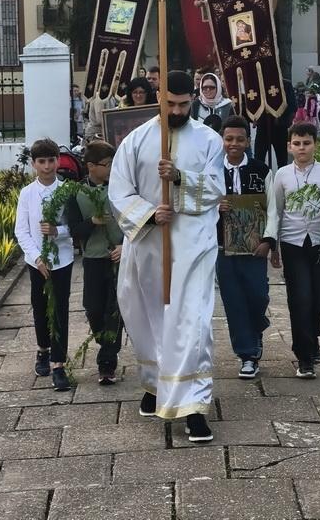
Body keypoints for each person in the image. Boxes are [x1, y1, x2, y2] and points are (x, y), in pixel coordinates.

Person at [108, 70, 224, 443]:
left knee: (191, 323)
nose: (176, 111)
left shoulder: (209, 140)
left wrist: (179, 178)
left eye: (183, 105)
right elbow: (118, 191)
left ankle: (192, 406)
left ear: (193, 100)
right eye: (170, 104)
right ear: (159, 97)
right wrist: (148, 214)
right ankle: (157, 384)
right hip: (147, 245)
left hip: (192, 247)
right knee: (147, 317)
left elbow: (216, 189)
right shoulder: (136, 141)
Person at [274, 122, 320, 379]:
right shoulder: (282, 175)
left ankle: (312, 341)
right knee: (300, 299)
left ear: (315, 145)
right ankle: (304, 358)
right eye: (297, 143)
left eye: (306, 143)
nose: (301, 148)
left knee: (319, 298)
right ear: (289, 146)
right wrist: (274, 247)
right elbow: (276, 212)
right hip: (292, 244)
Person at [216, 115, 280, 379]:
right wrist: (215, 206)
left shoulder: (261, 170)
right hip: (223, 247)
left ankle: (256, 329)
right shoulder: (212, 171)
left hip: (254, 248)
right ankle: (248, 355)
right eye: (229, 139)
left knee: (258, 296)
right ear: (222, 140)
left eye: (240, 139)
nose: (234, 144)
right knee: (233, 300)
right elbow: (198, 203)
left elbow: (273, 208)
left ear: (248, 141)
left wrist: (268, 241)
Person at [14, 138, 73, 391]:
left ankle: (59, 363)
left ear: (58, 161)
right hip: (36, 260)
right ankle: (43, 349)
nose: (47, 166)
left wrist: (58, 231)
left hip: (62, 259)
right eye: (42, 161)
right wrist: (37, 257)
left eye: (51, 160)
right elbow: (22, 230)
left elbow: (74, 226)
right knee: (39, 306)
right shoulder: (27, 194)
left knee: (59, 309)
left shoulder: (67, 191)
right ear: (34, 164)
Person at [65, 141, 124, 385]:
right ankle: (104, 342)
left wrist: (125, 246)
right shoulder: (76, 193)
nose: (111, 168)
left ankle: (107, 362)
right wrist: (92, 222)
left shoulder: (121, 189)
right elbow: (74, 230)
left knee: (114, 309)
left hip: (119, 257)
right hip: (92, 259)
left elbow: (136, 221)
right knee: (93, 308)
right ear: (91, 166)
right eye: (107, 164)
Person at [254, 78, 296, 170]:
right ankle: (260, 178)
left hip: (280, 127)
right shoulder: (258, 83)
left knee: (282, 160)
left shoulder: (285, 84)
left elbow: (292, 105)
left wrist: (283, 120)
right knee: (258, 158)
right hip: (263, 126)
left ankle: (282, 178)